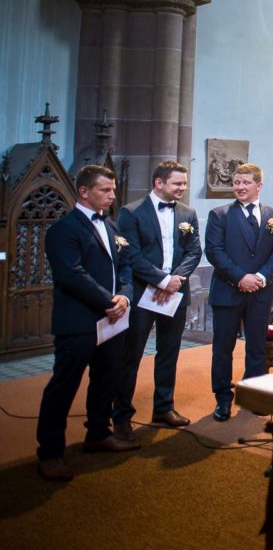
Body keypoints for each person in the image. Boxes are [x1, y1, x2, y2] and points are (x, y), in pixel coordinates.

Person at [36, 166, 137, 481]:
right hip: (79, 320)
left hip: (112, 319)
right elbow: (71, 275)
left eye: (112, 189)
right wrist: (109, 302)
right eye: (105, 190)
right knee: (63, 385)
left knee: (106, 378)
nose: (112, 195)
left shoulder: (111, 225)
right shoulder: (64, 229)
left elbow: (126, 267)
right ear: (84, 192)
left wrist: (124, 297)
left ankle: (97, 433)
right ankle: (50, 452)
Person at [112, 160, 203, 437]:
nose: (182, 188)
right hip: (142, 294)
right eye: (177, 183)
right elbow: (130, 254)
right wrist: (161, 280)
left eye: (184, 184)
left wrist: (175, 280)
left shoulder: (188, 213)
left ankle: (163, 407)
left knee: (169, 352)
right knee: (132, 355)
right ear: (159, 183)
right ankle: (122, 416)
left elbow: (194, 251)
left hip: (175, 293)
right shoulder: (131, 213)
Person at [205, 163, 273, 422]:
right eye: (236, 183)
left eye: (245, 183)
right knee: (222, 348)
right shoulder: (219, 215)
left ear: (259, 185)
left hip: (261, 293)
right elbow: (215, 251)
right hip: (228, 291)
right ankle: (223, 398)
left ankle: (253, 394)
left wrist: (262, 277)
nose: (239, 187)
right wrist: (241, 277)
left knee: (256, 348)